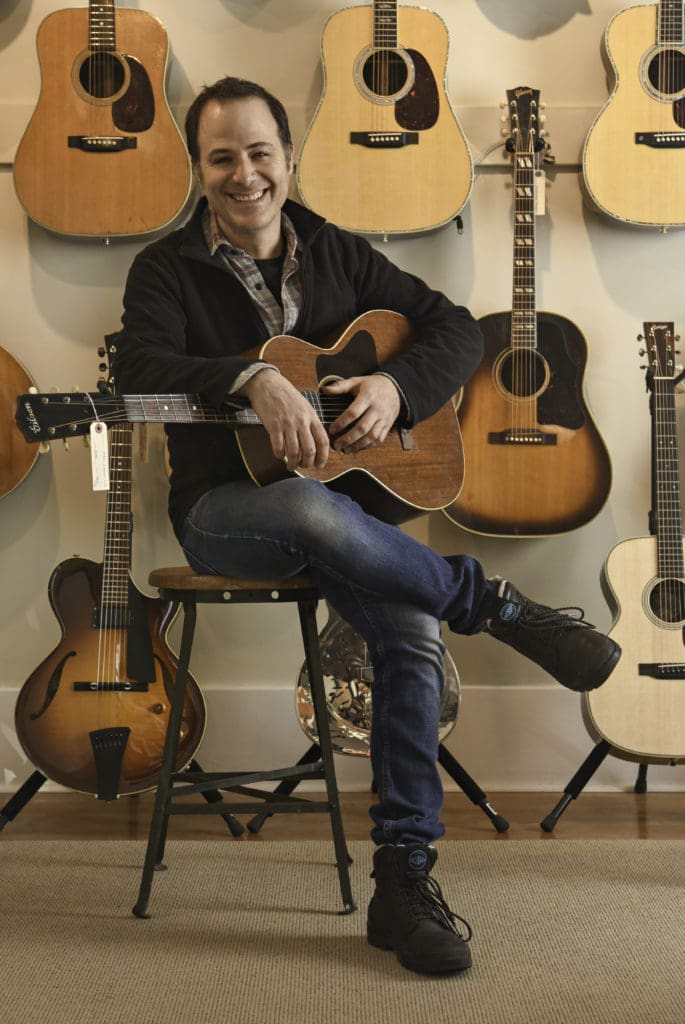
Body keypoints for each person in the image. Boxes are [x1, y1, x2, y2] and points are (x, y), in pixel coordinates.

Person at [112, 76, 621, 976]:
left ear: (288, 156)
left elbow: (454, 330)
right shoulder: (164, 268)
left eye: (259, 153)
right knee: (308, 504)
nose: (244, 174)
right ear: (197, 167)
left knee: (410, 629)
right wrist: (250, 378)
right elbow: (139, 366)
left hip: (354, 517)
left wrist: (394, 387)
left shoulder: (338, 251)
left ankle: (403, 881)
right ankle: (495, 605)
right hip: (225, 512)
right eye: (222, 158)